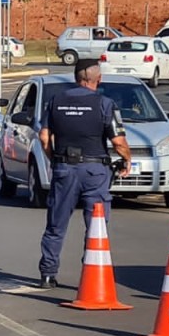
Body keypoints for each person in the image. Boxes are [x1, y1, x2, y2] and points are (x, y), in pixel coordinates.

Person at [36, 59, 131, 289]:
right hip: (95, 171)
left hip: (64, 168)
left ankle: (48, 274)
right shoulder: (104, 104)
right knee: (96, 225)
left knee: (56, 224)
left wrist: (55, 160)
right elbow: (118, 142)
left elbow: (44, 137)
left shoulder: (55, 101)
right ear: (98, 80)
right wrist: (127, 159)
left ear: (76, 78)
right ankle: (90, 274)